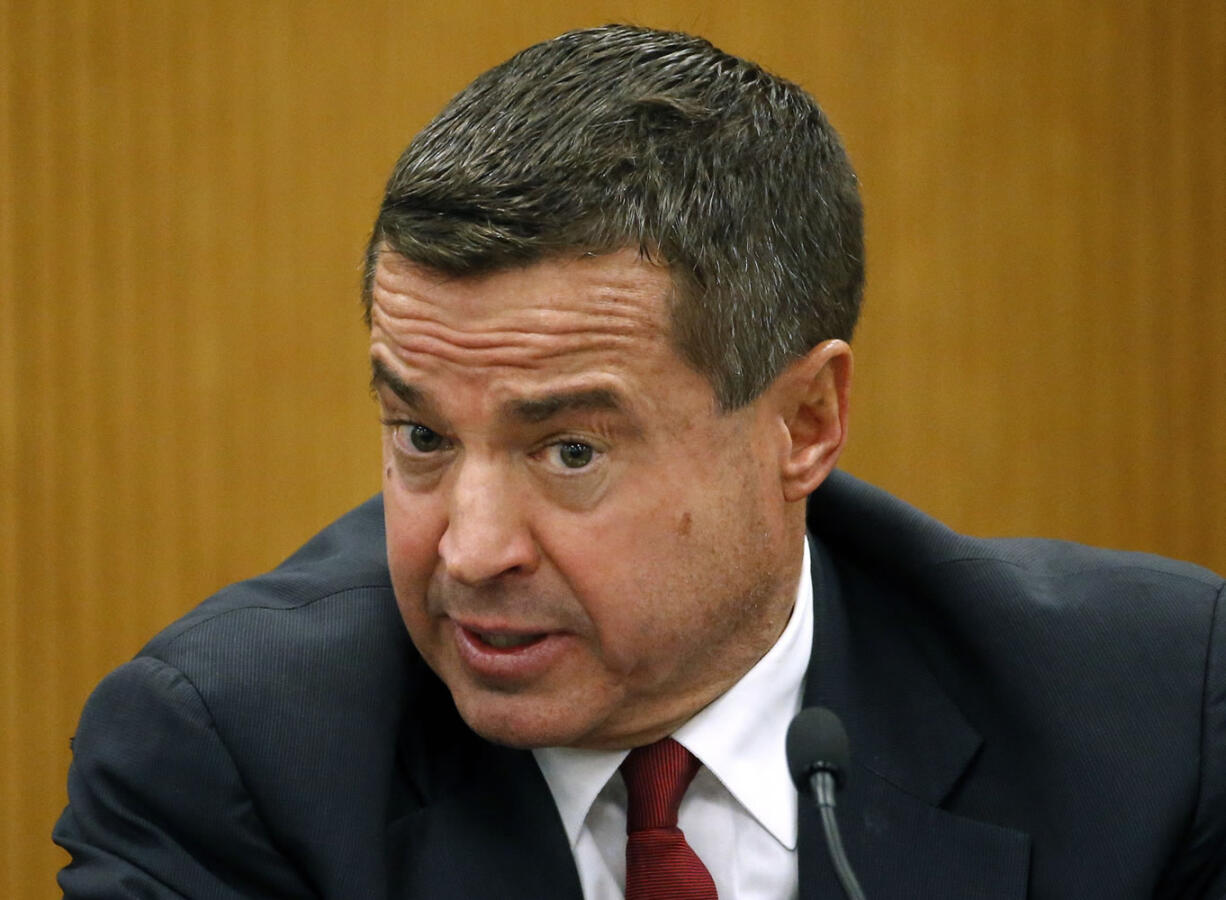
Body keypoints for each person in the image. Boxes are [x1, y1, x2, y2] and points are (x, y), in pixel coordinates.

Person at [54, 24, 1225, 899]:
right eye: (421, 436)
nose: (468, 549)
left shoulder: (1150, 719)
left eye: (567, 450)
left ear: (804, 421)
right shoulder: (228, 759)